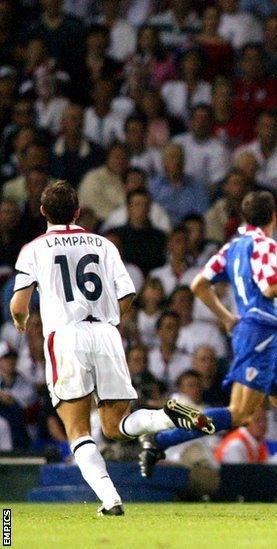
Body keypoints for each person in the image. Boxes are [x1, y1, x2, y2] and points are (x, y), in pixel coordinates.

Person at [139, 190, 277, 509]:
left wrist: (226, 316)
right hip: (258, 331)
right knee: (239, 413)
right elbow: (270, 286)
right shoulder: (264, 244)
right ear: (273, 218)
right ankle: (160, 440)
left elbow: (198, 285)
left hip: (263, 334)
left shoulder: (232, 247)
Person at [9, 181, 213, 516]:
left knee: (77, 430)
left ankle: (110, 499)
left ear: (43, 212)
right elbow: (128, 292)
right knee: (115, 427)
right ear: (77, 212)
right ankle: (167, 415)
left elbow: (19, 305)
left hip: (67, 336)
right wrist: (105, 320)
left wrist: (21, 322)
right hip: (106, 334)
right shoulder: (103, 244)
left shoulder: (35, 249)